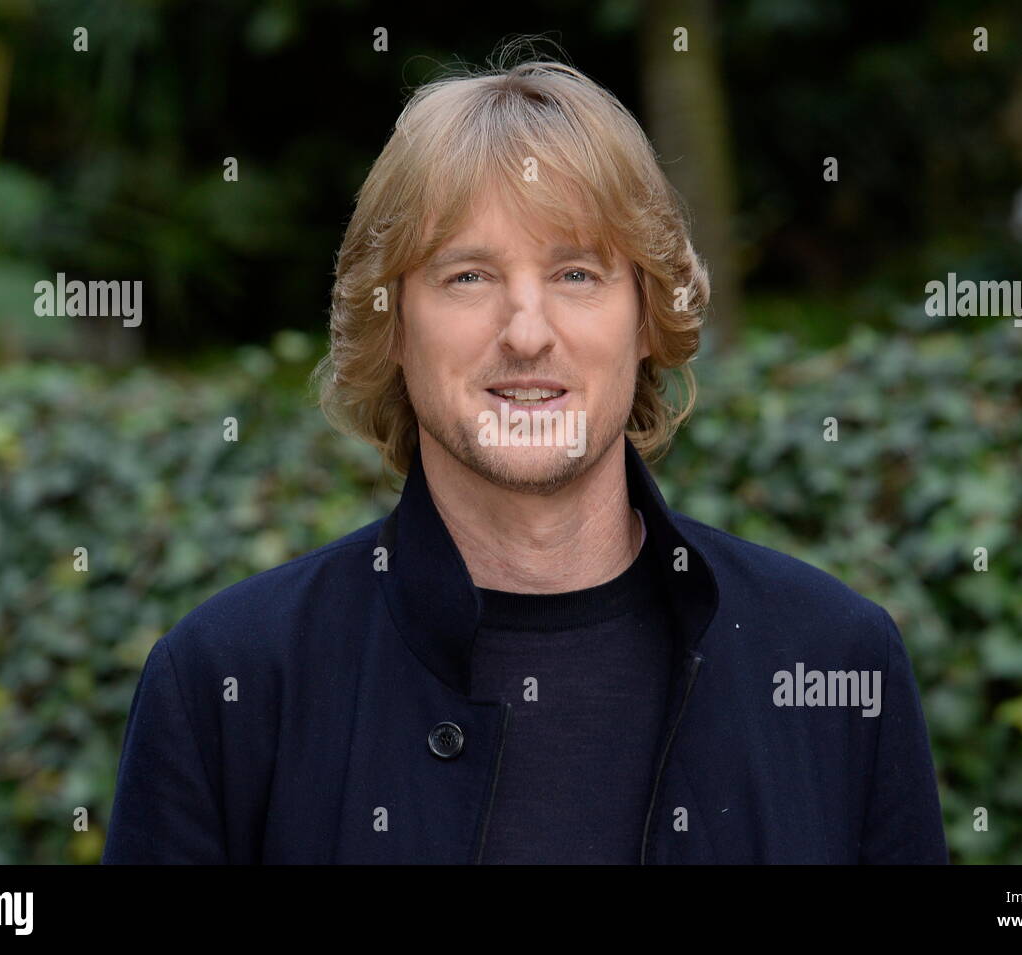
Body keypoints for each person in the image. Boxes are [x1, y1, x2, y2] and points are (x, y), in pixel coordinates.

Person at [102, 53, 948, 864]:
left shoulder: (837, 661)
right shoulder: (225, 682)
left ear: (649, 317)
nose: (528, 331)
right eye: (467, 276)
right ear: (392, 326)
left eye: (577, 273)